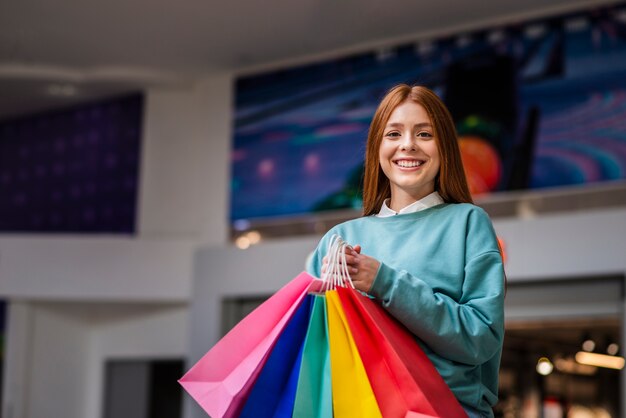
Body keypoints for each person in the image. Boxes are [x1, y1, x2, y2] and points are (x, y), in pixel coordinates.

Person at [306, 84, 505, 418]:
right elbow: (311, 354)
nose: (408, 145)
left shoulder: (468, 223)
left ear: (445, 147)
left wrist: (384, 281)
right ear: (377, 147)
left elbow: (480, 339)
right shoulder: (339, 239)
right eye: (393, 133)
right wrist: (322, 299)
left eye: (424, 134)